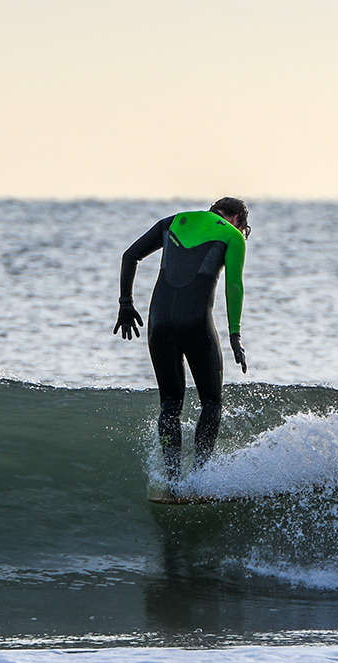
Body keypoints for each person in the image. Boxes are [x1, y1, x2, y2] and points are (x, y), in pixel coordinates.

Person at [114, 197, 249, 480]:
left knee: (170, 405)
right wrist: (235, 334)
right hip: (195, 323)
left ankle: (172, 480)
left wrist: (126, 303)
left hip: (158, 322)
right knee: (211, 402)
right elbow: (233, 285)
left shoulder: (173, 220)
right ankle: (200, 477)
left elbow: (130, 256)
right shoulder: (232, 234)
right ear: (237, 219)